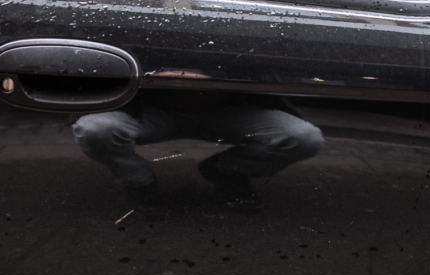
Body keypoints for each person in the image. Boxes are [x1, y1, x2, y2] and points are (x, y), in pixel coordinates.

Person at [72, 83, 323, 207]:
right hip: (150, 111)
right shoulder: (144, 13)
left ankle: (225, 171)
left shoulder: (246, 20)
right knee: (95, 129)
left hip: (228, 111)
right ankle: (139, 182)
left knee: (303, 137)